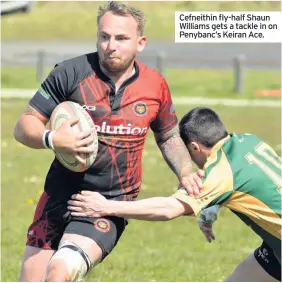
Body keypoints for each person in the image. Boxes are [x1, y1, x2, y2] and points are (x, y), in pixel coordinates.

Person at [13, 2, 202, 282]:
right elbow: (24, 125)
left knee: (59, 271)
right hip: (58, 196)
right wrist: (53, 138)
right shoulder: (70, 73)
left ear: (140, 42)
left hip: (109, 203)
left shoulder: (154, 85)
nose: (110, 45)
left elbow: (168, 135)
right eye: (104, 36)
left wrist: (185, 171)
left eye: (121, 38)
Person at [68, 107, 282, 282]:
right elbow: (244, 183)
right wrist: (209, 210)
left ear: (195, 147)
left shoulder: (220, 172)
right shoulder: (249, 141)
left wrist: (106, 206)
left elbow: (169, 209)